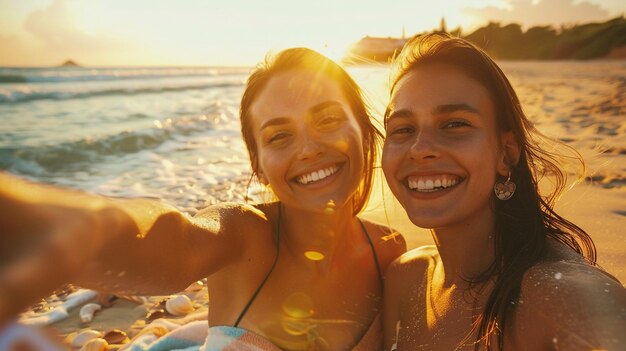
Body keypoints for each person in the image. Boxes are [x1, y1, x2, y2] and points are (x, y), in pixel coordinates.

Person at [0, 47, 406, 350]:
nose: (309, 149)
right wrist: (67, 227)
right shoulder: (244, 235)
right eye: (279, 135)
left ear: (363, 129)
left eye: (328, 119)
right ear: (259, 165)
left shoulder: (388, 251)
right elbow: (176, 240)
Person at [381, 33, 626, 350]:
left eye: (454, 124)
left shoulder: (565, 301)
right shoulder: (406, 279)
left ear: (506, 154)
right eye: (402, 129)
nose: (420, 149)